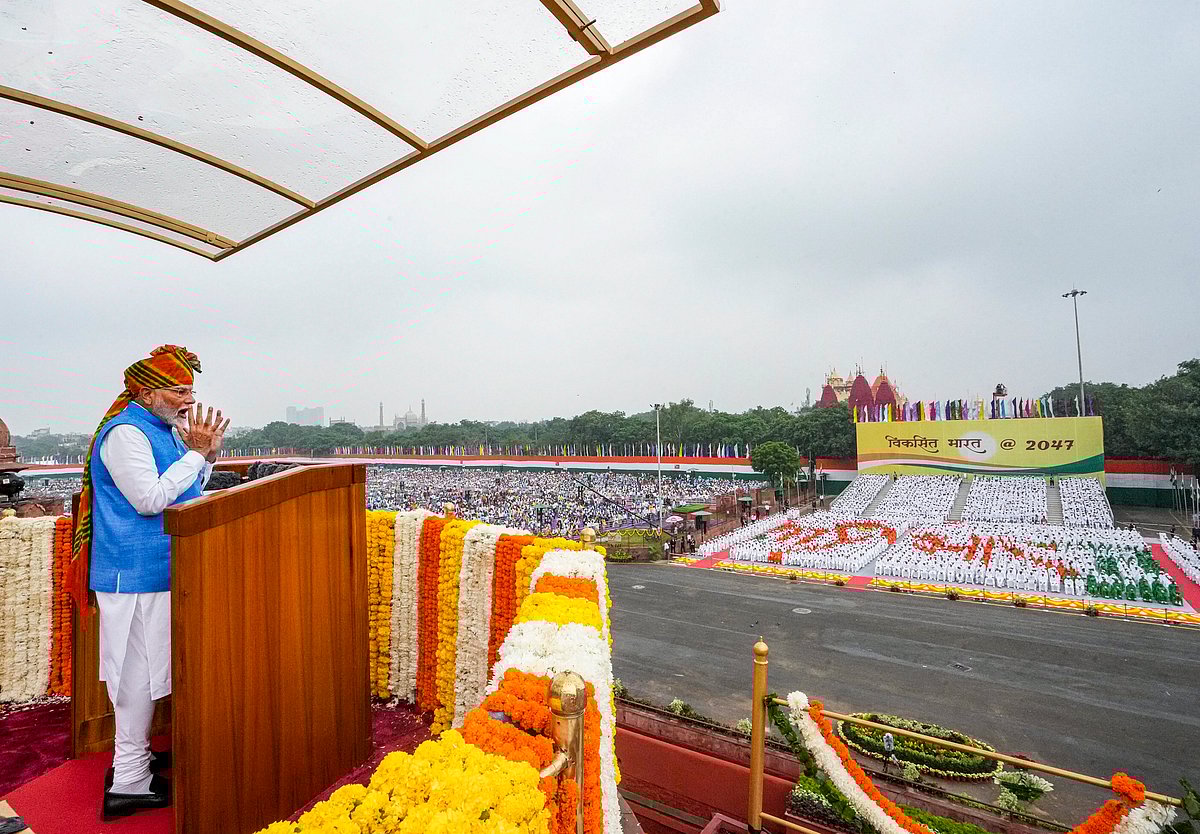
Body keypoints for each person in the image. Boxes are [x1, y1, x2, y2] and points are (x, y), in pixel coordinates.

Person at [70, 346, 229, 820]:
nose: (188, 398)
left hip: (160, 571)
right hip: (134, 575)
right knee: (135, 676)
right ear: (145, 391)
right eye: (179, 390)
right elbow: (150, 499)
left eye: (190, 390)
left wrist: (206, 456)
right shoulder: (125, 434)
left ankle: (135, 763)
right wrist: (196, 453)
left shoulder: (163, 430)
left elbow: (188, 488)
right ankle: (130, 780)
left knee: (145, 671)